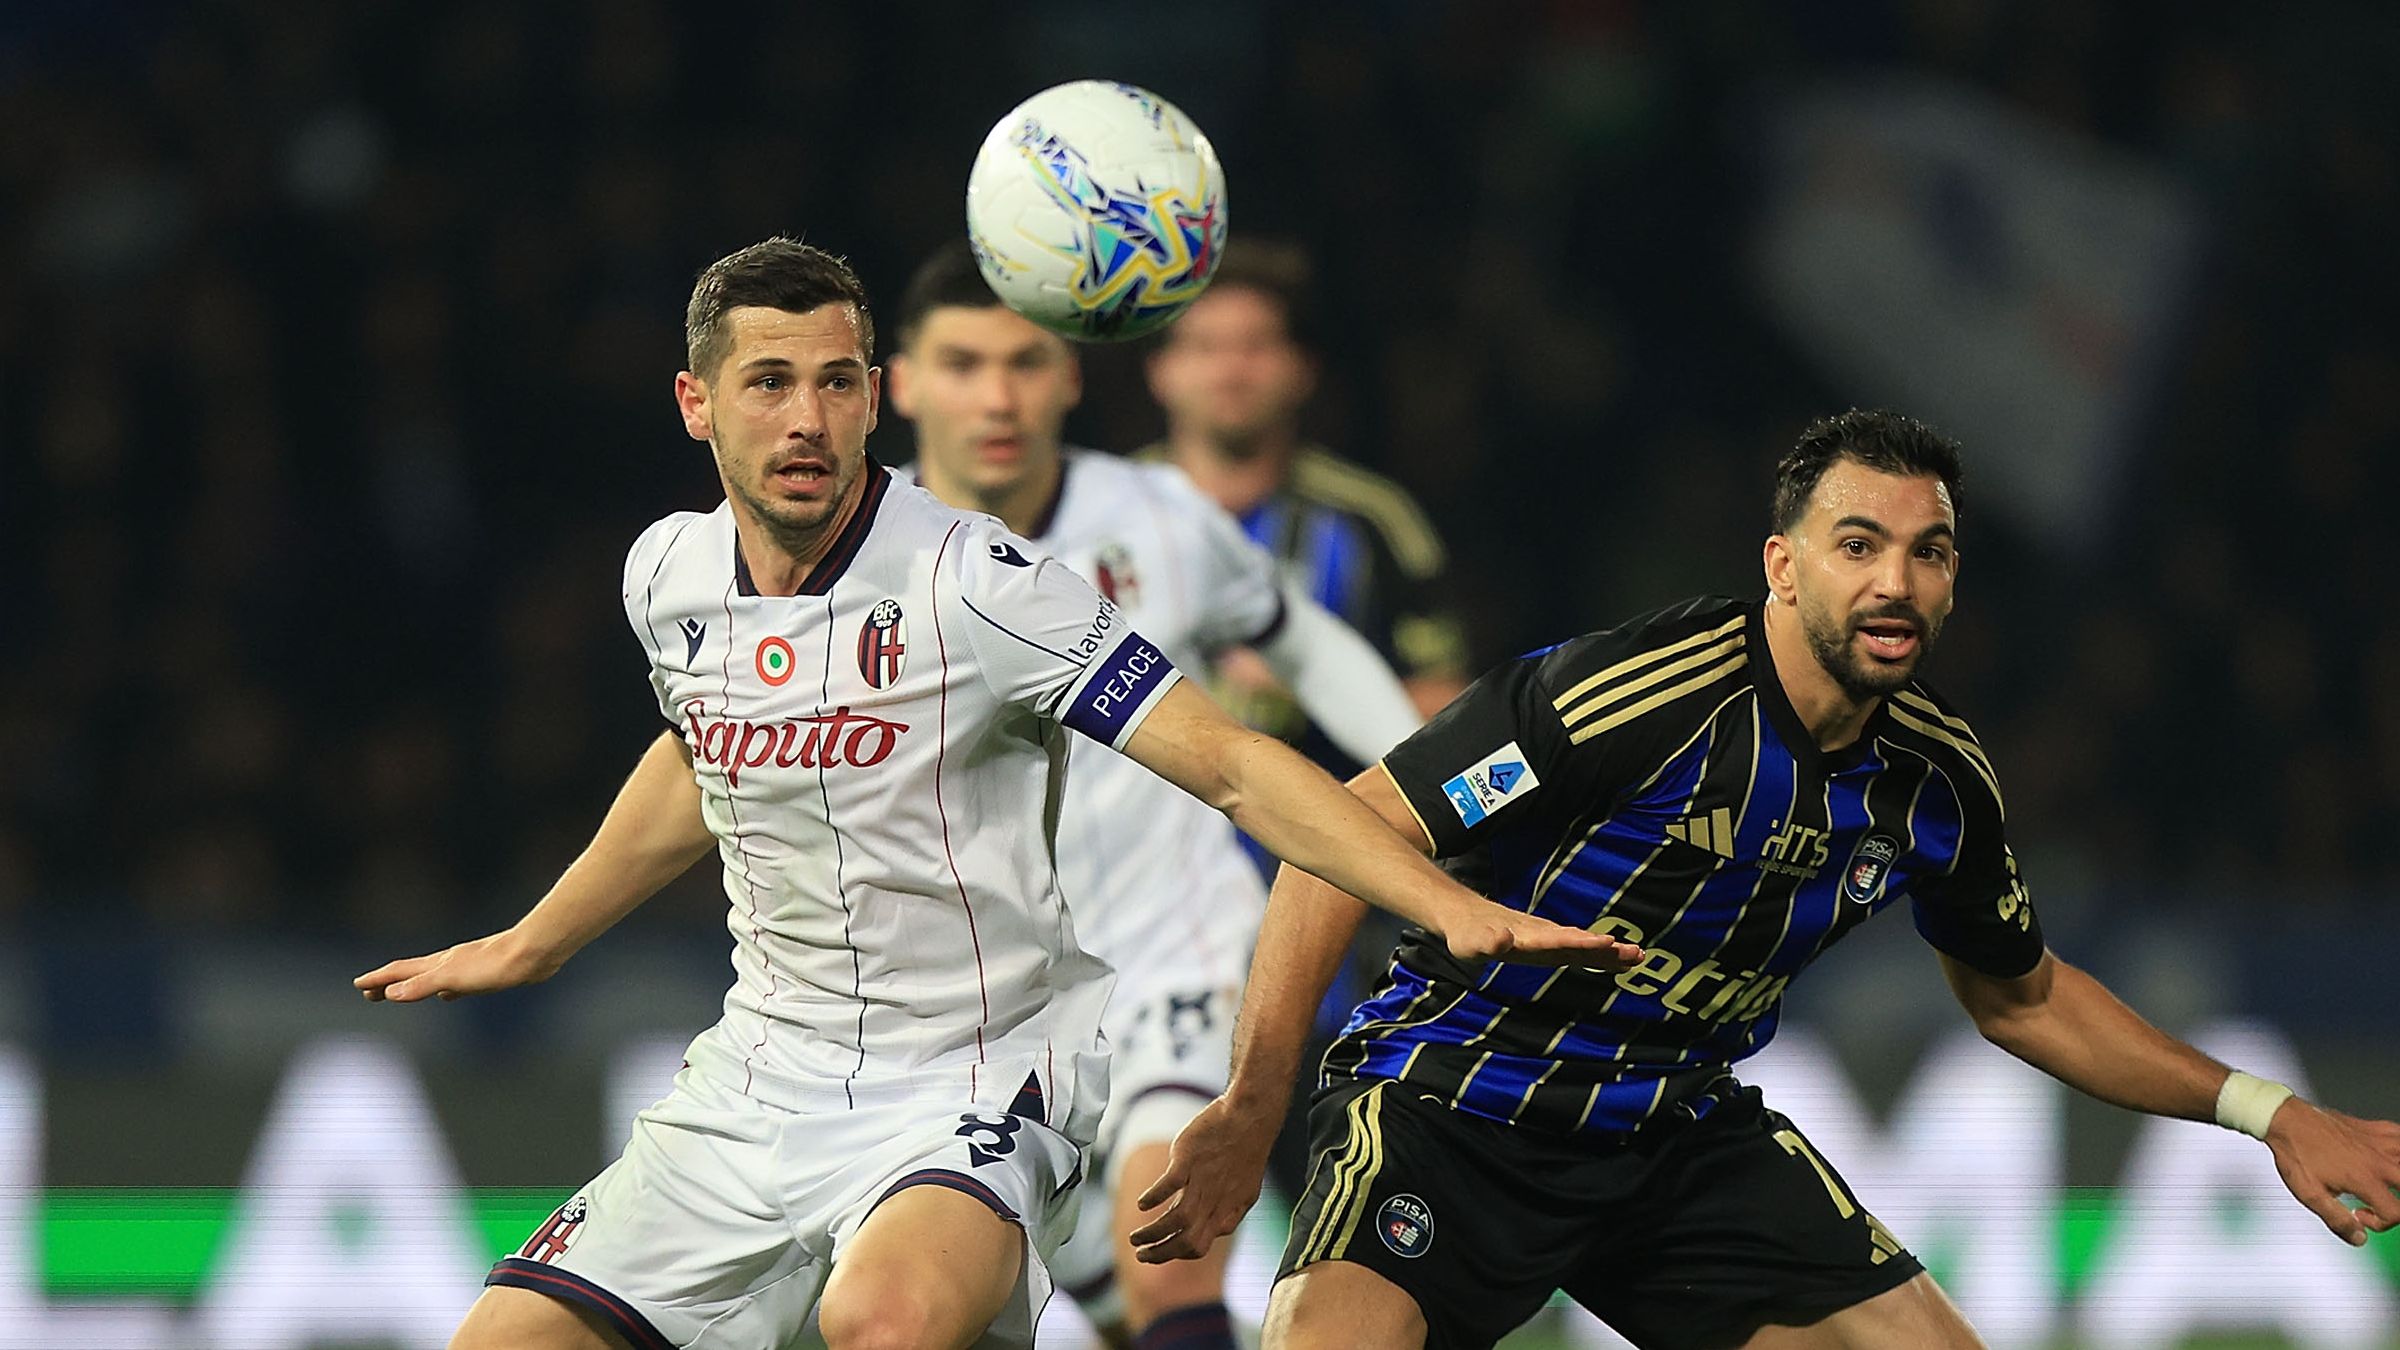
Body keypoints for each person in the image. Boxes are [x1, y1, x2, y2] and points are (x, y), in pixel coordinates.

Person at [350, 238, 1629, 1350]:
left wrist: (1439, 896)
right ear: (697, 404)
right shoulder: (664, 576)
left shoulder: (983, 582)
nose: (807, 419)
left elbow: (1232, 762)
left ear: (872, 402)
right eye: (770, 383)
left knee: (887, 1322)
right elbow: (700, 754)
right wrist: (535, 942)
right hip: (753, 1081)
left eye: (835, 384)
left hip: (975, 1073)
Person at [1128, 409, 2400, 1350]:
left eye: (1931, 551)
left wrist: (2268, 1111)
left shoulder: (1938, 783)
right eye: (1859, 544)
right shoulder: (1632, 696)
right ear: (1783, 565)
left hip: (1672, 1137)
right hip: (1449, 1110)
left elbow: (2023, 998)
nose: (1896, 581)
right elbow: (1344, 837)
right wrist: (1255, 1102)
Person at [883, 242, 1422, 1350]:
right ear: (903, 383)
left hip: (1172, 956)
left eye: (1027, 362)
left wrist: (1429, 795)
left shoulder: (1157, 517)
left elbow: (1310, 648)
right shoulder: (854, 550)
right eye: (964, 364)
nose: (998, 397)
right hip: (968, 1009)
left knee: (1172, 1271)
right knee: (986, 1315)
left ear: (1072, 377)